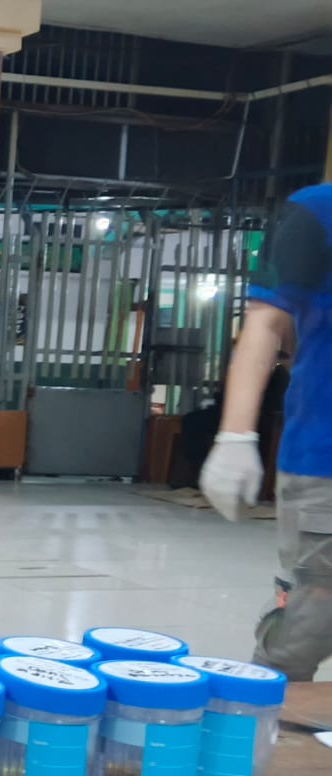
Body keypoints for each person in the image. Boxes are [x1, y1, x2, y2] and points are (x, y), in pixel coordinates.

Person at [201, 183, 332, 681]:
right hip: (325, 461)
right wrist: (235, 436)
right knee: (307, 626)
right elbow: (265, 323)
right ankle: (265, 720)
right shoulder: (317, 212)